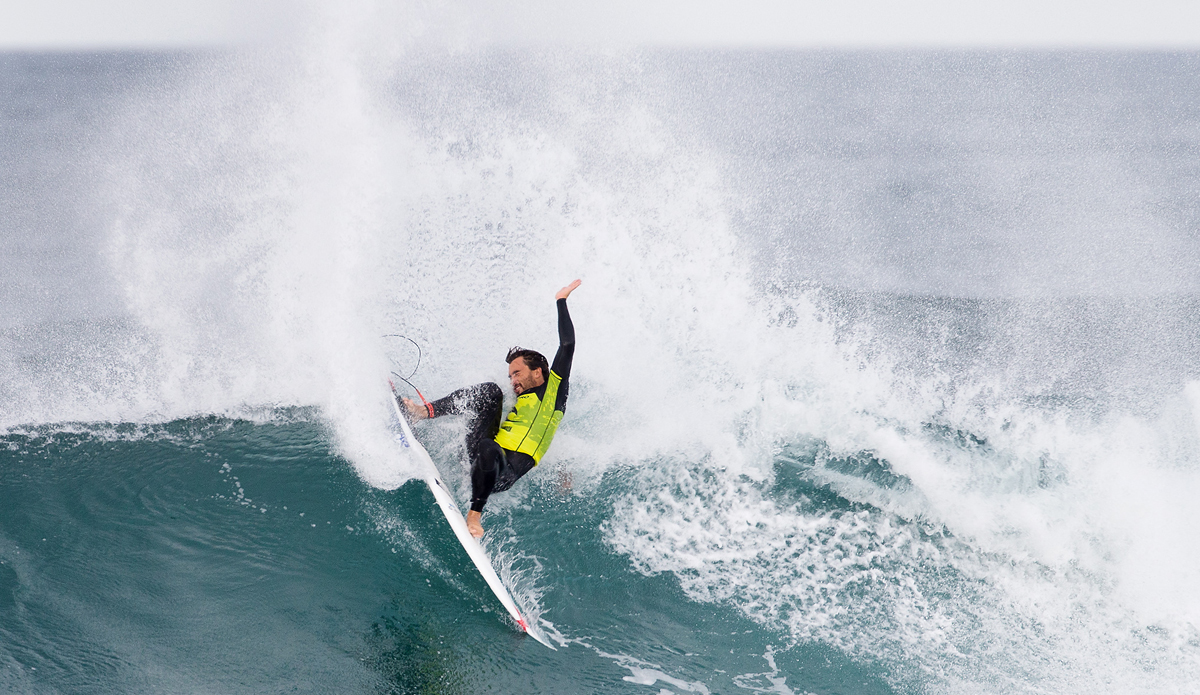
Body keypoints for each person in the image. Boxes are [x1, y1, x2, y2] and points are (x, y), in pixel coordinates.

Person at [401, 279, 581, 538]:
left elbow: (567, 346)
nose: (513, 381)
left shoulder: (555, 389)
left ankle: (474, 514)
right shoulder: (518, 397)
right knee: (490, 393)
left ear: (538, 372)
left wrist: (561, 300)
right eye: (511, 376)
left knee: (490, 448)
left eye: (517, 373)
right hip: (479, 453)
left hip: (502, 474)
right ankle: (423, 412)